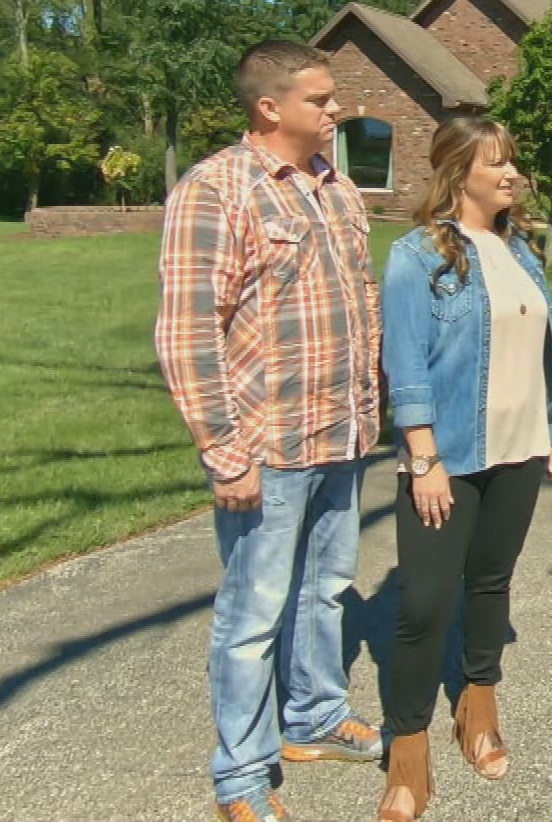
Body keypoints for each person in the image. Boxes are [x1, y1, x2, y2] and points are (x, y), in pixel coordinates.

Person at [156, 40, 387, 822]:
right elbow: (188, 334)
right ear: (270, 107)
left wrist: (373, 410)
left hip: (341, 436)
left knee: (324, 591)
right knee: (252, 616)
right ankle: (243, 774)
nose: (334, 112)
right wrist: (226, 453)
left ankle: (314, 719)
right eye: (321, 101)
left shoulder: (338, 189)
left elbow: (360, 308)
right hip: (268, 445)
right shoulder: (216, 190)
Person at [375, 116, 552, 822]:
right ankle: (406, 753)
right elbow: (406, 368)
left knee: (490, 584)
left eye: (513, 162)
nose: (512, 174)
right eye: (497, 163)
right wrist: (424, 459)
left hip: (519, 449)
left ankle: (477, 708)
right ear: (459, 171)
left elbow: (539, 351)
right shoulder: (416, 256)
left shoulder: (520, 249)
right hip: (447, 459)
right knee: (423, 606)